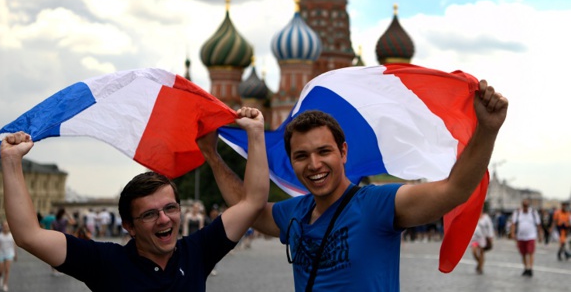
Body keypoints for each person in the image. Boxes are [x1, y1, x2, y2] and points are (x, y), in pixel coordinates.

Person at [204, 80, 507, 291]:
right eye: (301, 156)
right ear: (292, 162)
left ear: (343, 152)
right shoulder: (295, 212)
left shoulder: (377, 204)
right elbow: (249, 210)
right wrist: (212, 155)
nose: (314, 165)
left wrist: (488, 130)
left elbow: (453, 191)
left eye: (324, 152)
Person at [0, 107, 268, 291]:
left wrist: (255, 133)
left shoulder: (197, 252)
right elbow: (28, 235)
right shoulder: (106, 262)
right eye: (149, 214)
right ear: (129, 225)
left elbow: (253, 202)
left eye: (170, 208)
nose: (164, 218)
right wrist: (11, 162)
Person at [510, 199, 543, 277]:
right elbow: (513, 224)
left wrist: (540, 235)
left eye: (527, 206)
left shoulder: (533, 213)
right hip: (521, 236)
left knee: (530, 252)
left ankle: (530, 268)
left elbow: (538, 224)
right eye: (524, 206)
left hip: (531, 236)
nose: (525, 207)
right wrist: (512, 233)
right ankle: (525, 268)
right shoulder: (517, 213)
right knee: (523, 253)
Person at [0, 221, 17, 291]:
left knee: (7, 270)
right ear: (2, 227)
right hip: (0, 254)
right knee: (0, 270)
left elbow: (14, 245)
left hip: (9, 254)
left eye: (7, 226)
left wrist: (15, 254)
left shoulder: (12, 236)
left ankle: (5, 284)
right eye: (4, 226)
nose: (5, 227)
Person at [470, 206, 494, 274]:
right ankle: (479, 263)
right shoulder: (473, 216)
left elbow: (490, 227)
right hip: (474, 238)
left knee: (481, 252)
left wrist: (490, 236)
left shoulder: (486, 217)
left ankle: (480, 267)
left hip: (483, 237)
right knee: (474, 252)